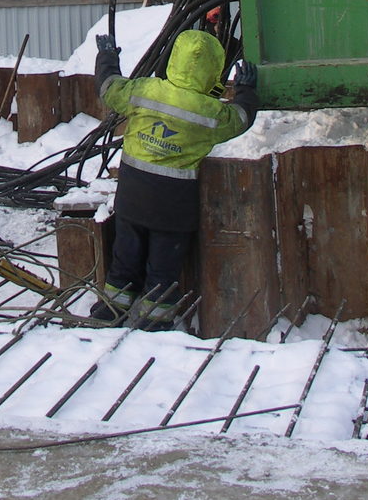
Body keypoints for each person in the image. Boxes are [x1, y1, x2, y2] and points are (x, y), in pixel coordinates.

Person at [91, 28, 258, 330]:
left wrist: (107, 58)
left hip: (132, 196)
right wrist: (246, 91)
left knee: (125, 254)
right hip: (173, 206)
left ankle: (112, 307)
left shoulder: (146, 90)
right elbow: (240, 120)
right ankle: (155, 320)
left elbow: (108, 87)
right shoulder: (210, 113)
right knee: (163, 266)